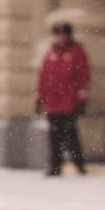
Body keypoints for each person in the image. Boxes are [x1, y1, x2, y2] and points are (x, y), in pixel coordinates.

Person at [35, 22, 89, 177]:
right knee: (54, 137)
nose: (60, 38)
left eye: (62, 35)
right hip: (52, 103)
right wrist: (39, 98)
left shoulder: (76, 53)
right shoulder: (51, 54)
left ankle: (79, 164)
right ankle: (55, 165)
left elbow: (83, 77)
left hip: (68, 102)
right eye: (57, 35)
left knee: (70, 135)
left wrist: (81, 99)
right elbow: (43, 77)